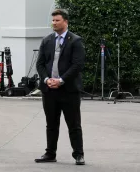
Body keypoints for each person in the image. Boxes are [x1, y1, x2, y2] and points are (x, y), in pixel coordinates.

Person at [35, 9, 85, 165]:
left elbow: (77, 65)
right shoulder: (47, 40)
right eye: (53, 20)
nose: (54, 23)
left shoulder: (75, 41)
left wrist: (61, 80)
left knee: (74, 124)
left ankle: (78, 154)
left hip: (69, 90)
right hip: (49, 90)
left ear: (65, 21)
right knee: (51, 123)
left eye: (57, 20)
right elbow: (40, 64)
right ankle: (50, 153)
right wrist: (46, 79)